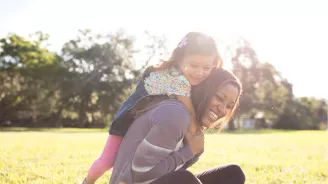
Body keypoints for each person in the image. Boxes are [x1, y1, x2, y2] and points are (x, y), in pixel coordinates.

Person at [82, 32, 222, 184]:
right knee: (107, 160)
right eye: (194, 65)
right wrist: (195, 135)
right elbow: (189, 110)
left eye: (207, 67)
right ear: (180, 59)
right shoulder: (174, 78)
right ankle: (87, 181)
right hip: (126, 120)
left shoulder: (191, 81)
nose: (200, 72)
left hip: (152, 123)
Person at [109, 67, 245, 184]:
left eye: (229, 106)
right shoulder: (176, 114)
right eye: (219, 98)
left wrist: (193, 151)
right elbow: (140, 174)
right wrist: (189, 151)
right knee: (184, 180)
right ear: (205, 90)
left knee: (233, 173)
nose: (222, 109)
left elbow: (172, 171)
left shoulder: (193, 127)